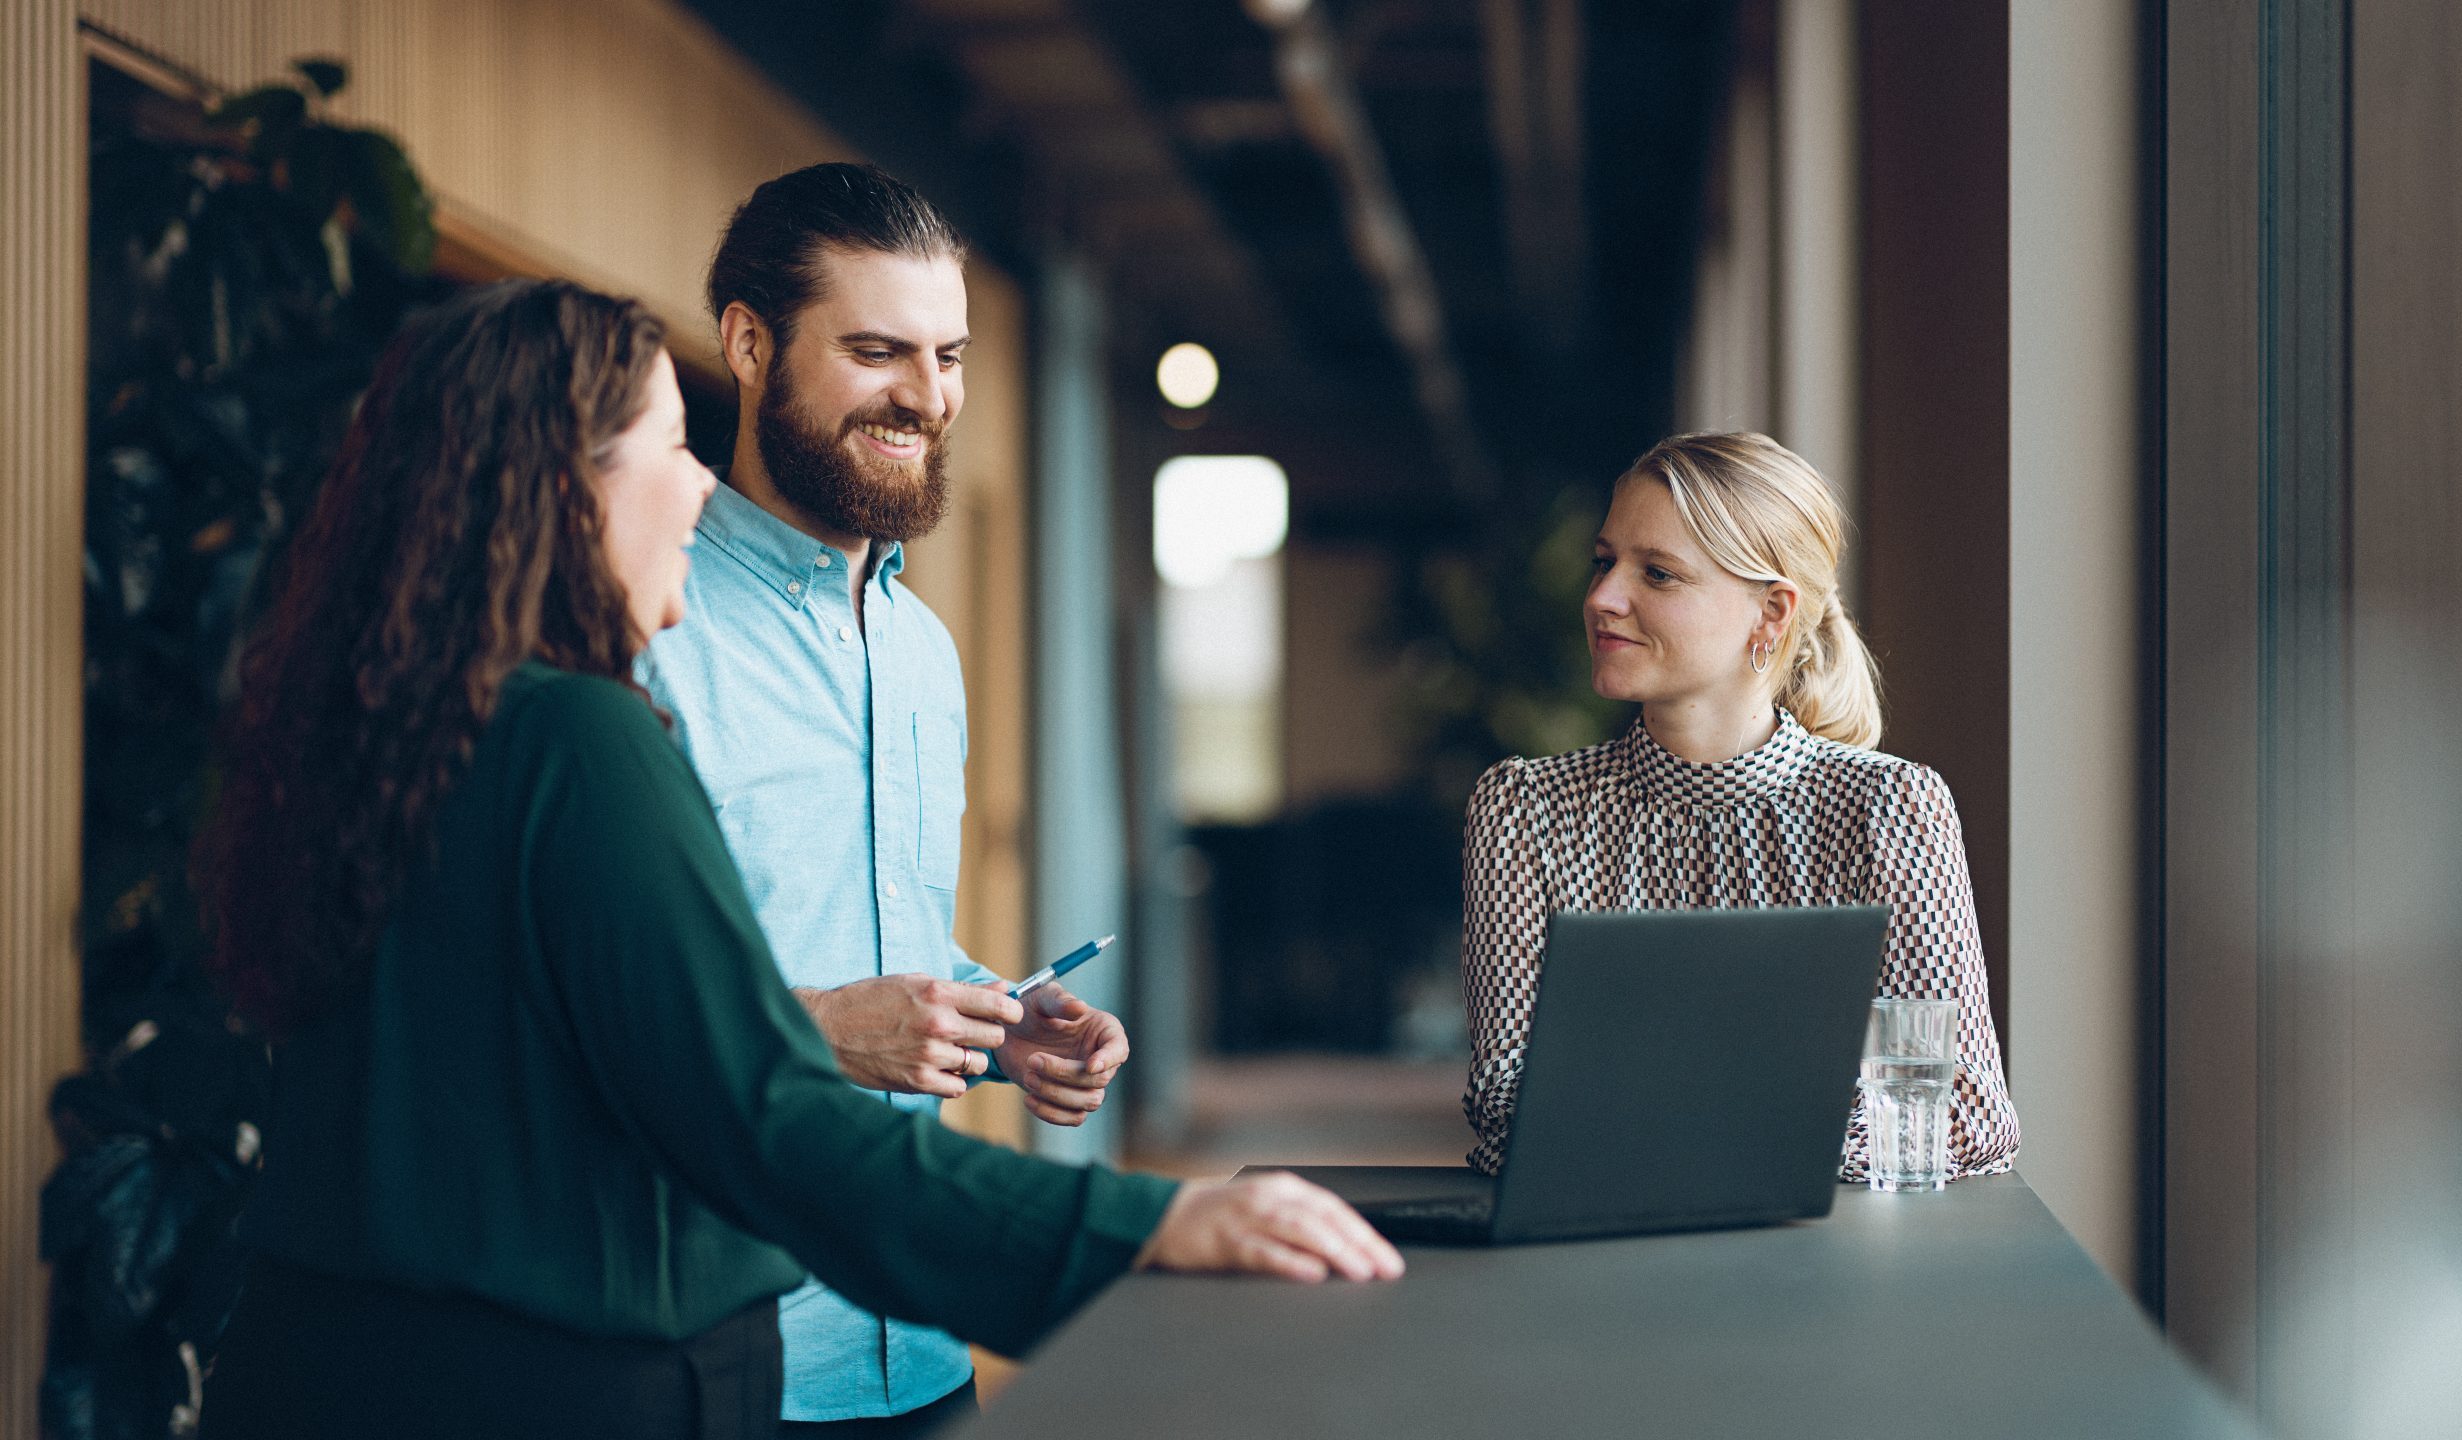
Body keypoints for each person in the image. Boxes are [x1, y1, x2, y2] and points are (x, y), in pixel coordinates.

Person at [195, 279, 1402, 1440]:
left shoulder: (398, 730)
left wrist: (980, 1019)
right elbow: (762, 1113)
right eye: (672, 447)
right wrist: (1154, 1227)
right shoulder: (575, 733)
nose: (697, 488)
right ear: (564, 491)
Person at [636, 162, 1127, 1436]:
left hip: (920, 1347)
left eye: (948, 354)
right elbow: (579, 996)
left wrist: (992, 1020)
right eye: (875, 350)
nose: (928, 395)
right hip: (719, 1354)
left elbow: (863, 930)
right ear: (748, 342)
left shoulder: (920, 649)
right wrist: (822, 1031)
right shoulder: (639, 622)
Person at [1458, 430, 2020, 1181]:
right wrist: (1786, 1125)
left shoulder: (1889, 806)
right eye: (1604, 561)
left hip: (1828, 1264)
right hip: (1594, 1258)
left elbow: (1965, 1113)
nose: (1601, 597)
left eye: (1656, 573)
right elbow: (1504, 1097)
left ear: (1771, 615)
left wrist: (1625, 1120)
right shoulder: (1523, 809)